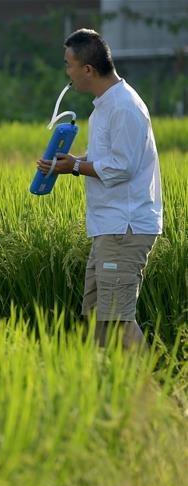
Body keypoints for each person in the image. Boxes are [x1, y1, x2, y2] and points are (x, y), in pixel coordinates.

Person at [37, 28, 163, 349]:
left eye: (69, 65)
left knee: (117, 318)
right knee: (97, 317)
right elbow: (108, 160)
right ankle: (110, 392)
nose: (67, 72)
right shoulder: (104, 106)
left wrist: (75, 166)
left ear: (87, 70)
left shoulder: (124, 107)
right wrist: (70, 162)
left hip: (125, 227)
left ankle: (154, 397)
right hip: (108, 227)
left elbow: (122, 167)